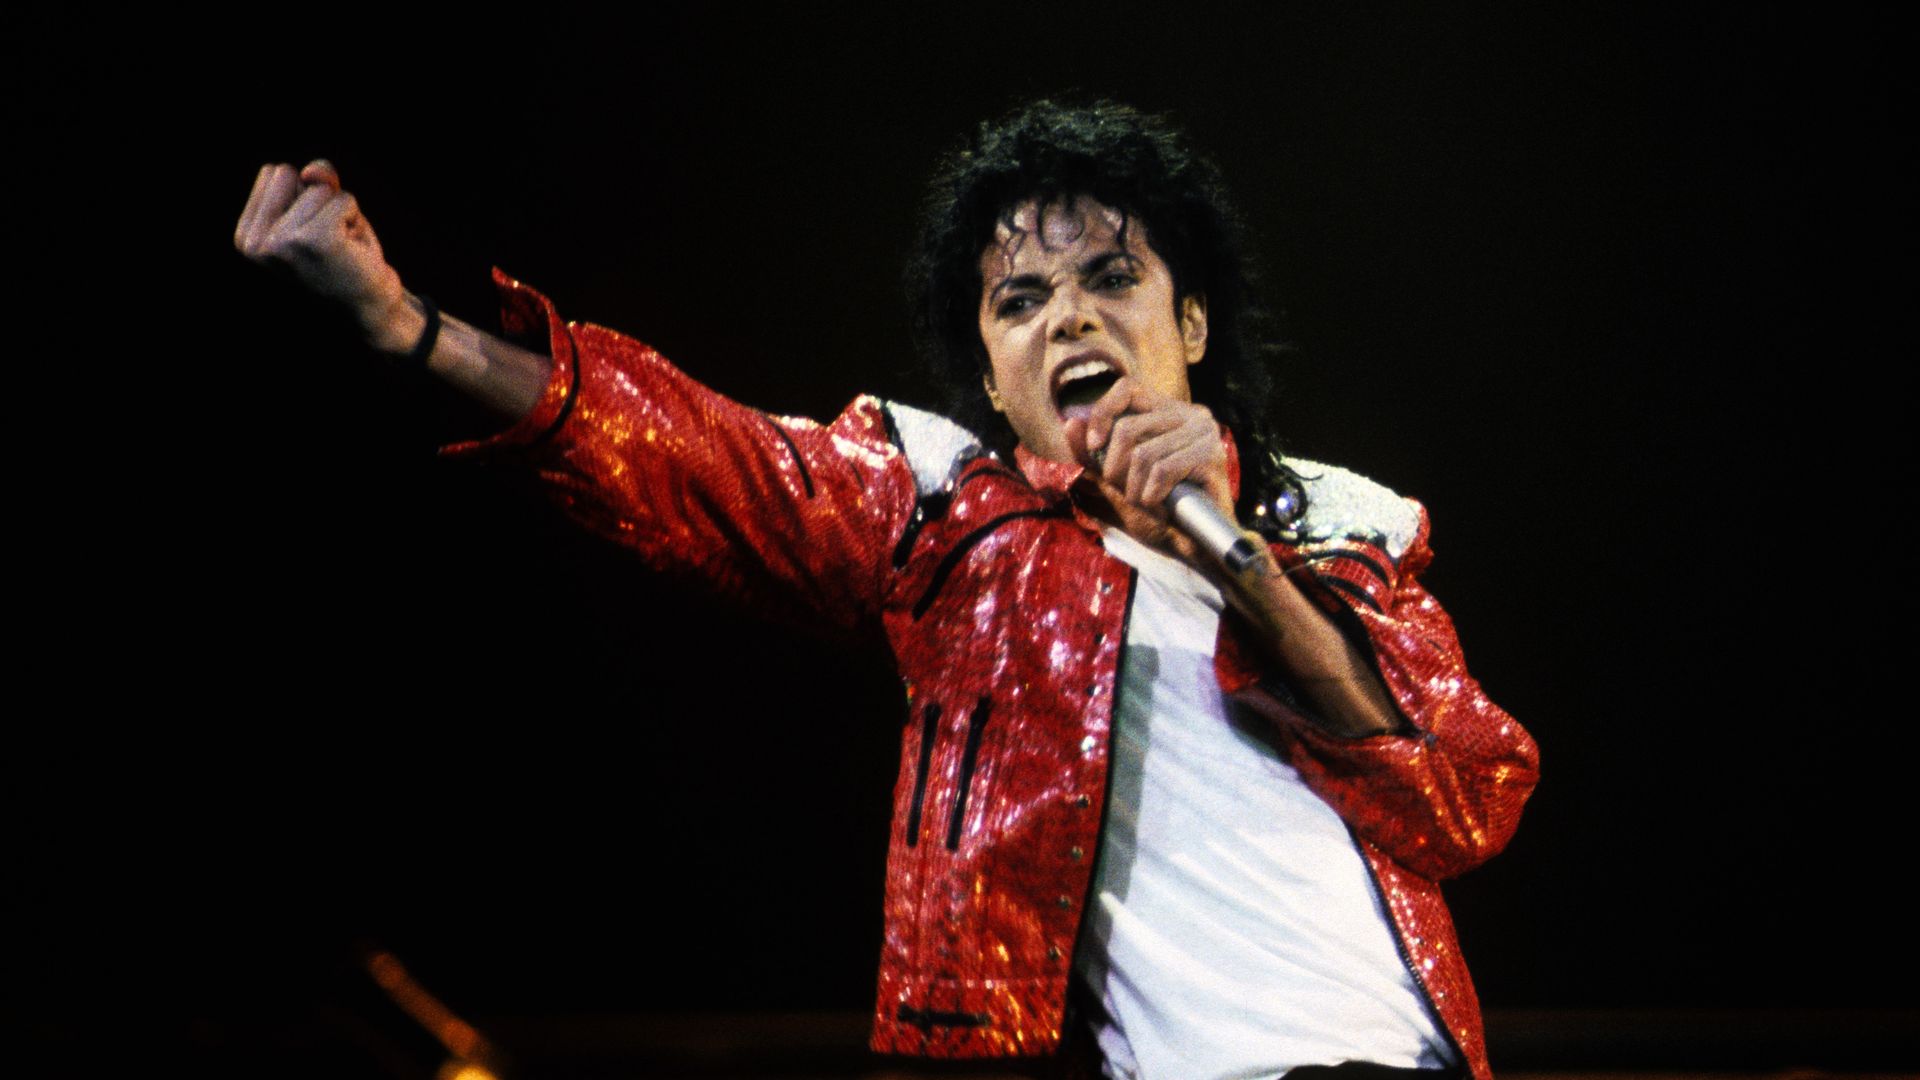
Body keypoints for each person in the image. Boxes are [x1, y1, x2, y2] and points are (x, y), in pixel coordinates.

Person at [235, 100, 1537, 1080]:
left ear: (1188, 325)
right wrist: (409, 326)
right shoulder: (953, 521)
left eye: (1109, 279)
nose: (1067, 318)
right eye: (1019, 298)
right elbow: (687, 452)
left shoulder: (1338, 523)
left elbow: (1465, 791)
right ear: (990, 357)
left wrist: (1228, 554)